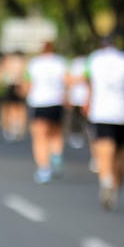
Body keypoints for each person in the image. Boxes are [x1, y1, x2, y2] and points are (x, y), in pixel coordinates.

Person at [85, 35, 124, 211]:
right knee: (119, 153)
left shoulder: (93, 59)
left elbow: (88, 82)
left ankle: (106, 181)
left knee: (104, 149)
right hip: (122, 113)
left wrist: (88, 101)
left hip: (101, 112)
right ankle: (114, 187)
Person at [21, 40, 69, 183]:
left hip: (39, 102)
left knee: (40, 137)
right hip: (56, 102)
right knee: (56, 132)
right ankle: (56, 156)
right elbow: (67, 81)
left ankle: (44, 168)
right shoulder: (60, 62)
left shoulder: (34, 63)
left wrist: (24, 93)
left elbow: (27, 85)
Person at [66, 53, 91, 150]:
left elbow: (88, 79)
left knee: (87, 120)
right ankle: (76, 135)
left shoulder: (90, 63)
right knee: (75, 118)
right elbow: (67, 80)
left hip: (86, 97)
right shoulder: (72, 64)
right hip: (75, 97)